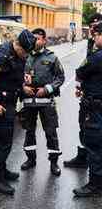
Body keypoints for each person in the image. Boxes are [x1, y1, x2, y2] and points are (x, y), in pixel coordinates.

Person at [0, 29, 37, 196]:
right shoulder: (2, 57)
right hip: (1, 105)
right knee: (1, 143)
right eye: (24, 52)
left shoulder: (17, 54)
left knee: (7, 141)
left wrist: (22, 82)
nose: (25, 55)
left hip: (11, 102)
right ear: (17, 44)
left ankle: (3, 171)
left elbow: (12, 75)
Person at [20, 28, 65, 176]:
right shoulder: (25, 56)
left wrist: (47, 89)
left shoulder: (52, 58)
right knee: (29, 131)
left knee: (51, 132)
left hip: (46, 102)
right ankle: (30, 159)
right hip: (28, 102)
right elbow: (17, 76)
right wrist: (23, 87)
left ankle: (54, 162)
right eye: (34, 38)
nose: (35, 41)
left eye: (38, 38)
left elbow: (60, 78)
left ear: (44, 40)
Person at [63, 13, 102, 169]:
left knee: (94, 131)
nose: (92, 30)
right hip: (89, 90)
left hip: (96, 97)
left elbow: (86, 67)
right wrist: (81, 87)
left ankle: (95, 173)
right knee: (84, 127)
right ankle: (84, 156)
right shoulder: (91, 42)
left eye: (96, 27)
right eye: (91, 27)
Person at [73, 22, 102, 197]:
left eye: (97, 35)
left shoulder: (97, 57)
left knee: (94, 146)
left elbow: (80, 71)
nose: (94, 38)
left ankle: (95, 185)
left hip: (96, 109)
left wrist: (80, 85)